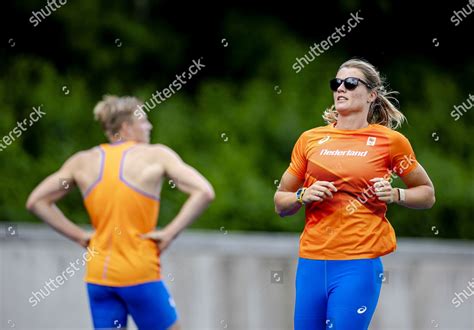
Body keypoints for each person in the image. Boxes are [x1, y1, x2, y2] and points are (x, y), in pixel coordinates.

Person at [26, 95, 215, 330]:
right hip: (139, 274)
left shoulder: (83, 161)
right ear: (126, 127)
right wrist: (169, 233)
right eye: (144, 120)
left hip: (98, 278)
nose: (150, 126)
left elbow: (36, 201)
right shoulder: (155, 155)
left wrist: (80, 236)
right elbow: (204, 191)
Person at [274, 58, 435, 330]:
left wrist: (396, 194)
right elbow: (281, 202)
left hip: (358, 262)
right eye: (336, 83)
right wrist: (304, 195)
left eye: (350, 83)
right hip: (312, 261)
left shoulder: (390, 141)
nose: (341, 89)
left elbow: (427, 193)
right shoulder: (310, 139)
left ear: (372, 94)